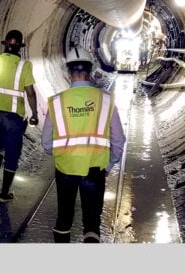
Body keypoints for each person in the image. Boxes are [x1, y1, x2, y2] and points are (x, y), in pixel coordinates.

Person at [41, 50, 126, 243]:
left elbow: (46, 141)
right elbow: (118, 140)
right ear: (90, 70)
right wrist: (110, 164)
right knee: (92, 223)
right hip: (95, 169)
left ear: (69, 71)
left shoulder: (56, 101)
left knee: (63, 218)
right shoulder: (105, 99)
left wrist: (61, 156)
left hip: (65, 169)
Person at [0, 30, 39, 202]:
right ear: (20, 48)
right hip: (14, 117)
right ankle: (4, 193)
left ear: (5, 45)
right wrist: (34, 114)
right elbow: (30, 93)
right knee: (12, 154)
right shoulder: (24, 66)